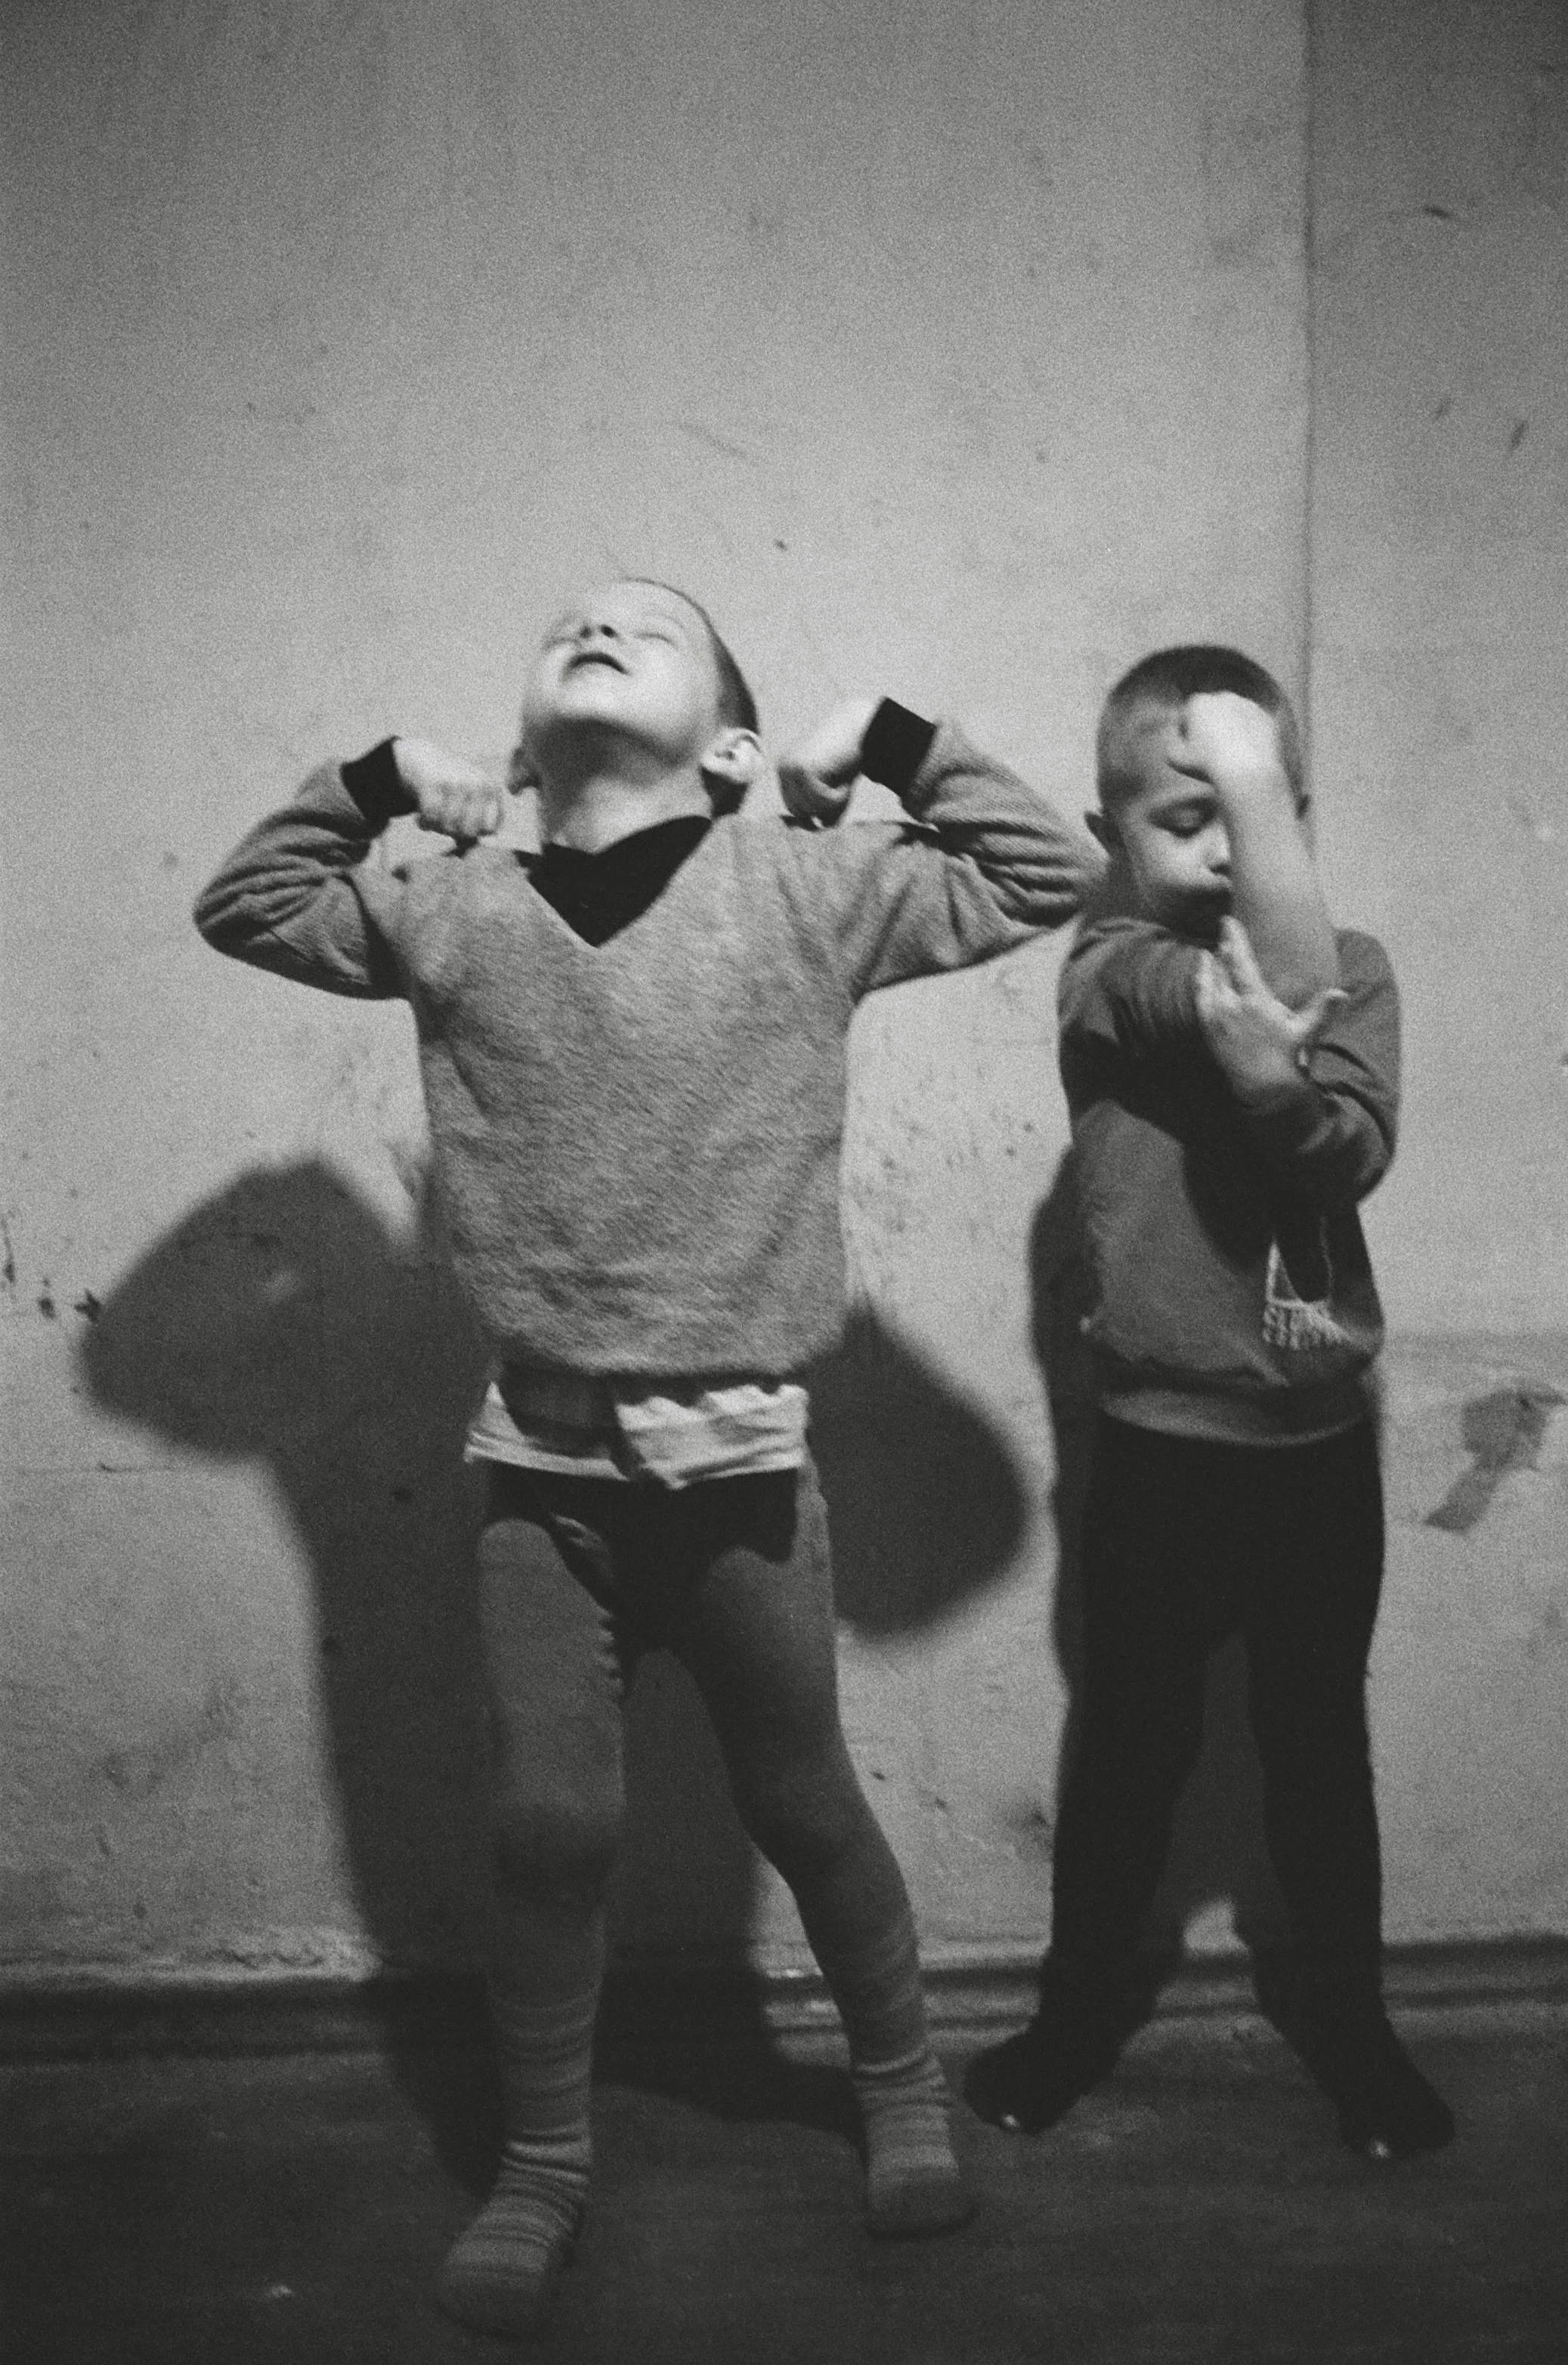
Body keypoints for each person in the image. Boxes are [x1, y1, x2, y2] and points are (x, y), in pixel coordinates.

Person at [193, 577, 1099, 2336]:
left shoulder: (806, 881)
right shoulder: (443, 903)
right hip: (541, 1480)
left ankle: (898, 2082)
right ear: (518, 747)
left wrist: (888, 746)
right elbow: (245, 901)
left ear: (738, 743)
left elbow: (1045, 873)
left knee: (805, 1800)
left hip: (747, 1478)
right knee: (548, 1826)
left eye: (648, 628)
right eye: (565, 627)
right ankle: (541, 2162)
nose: (597, 628)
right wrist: (379, 774)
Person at [965, 645, 1455, 2163]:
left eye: (1260, 814)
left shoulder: (1352, 962)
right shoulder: (1108, 967)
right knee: (1129, 1751)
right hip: (1162, 1459)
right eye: (1188, 814)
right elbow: (1267, 987)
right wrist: (1258, 1038)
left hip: (1316, 1458)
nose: (1229, 848)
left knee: (1318, 1750)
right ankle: (1071, 2019)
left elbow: (1337, 1148)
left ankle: (1351, 2023)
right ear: (1116, 832)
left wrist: (1276, 1087)